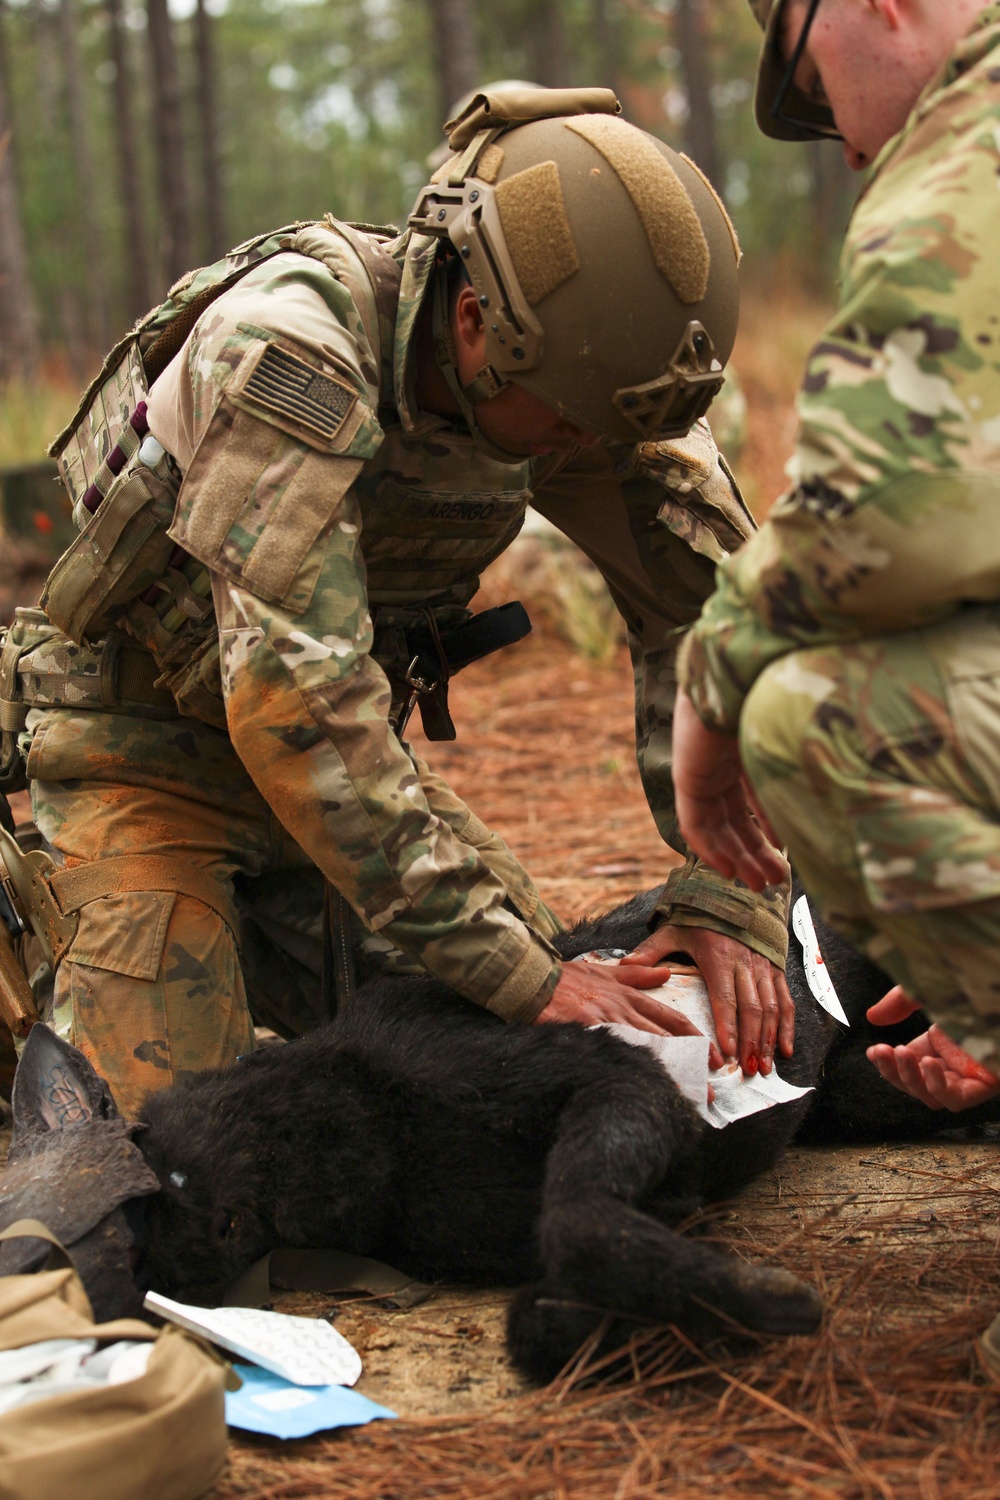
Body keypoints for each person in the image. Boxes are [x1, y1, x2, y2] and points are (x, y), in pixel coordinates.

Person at [0, 88, 793, 1118]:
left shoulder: (593, 369)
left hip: (349, 778)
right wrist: (526, 976)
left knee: (505, 1081)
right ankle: (33, 930)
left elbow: (717, 624)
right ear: (473, 323)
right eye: (562, 428)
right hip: (139, 751)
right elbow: (297, 709)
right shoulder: (293, 351)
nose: (581, 451)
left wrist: (730, 892)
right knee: (160, 1144)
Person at [671, 0, 1000, 1127]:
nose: (849, 146)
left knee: (816, 718)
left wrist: (709, 703)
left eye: (812, 88)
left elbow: (873, 522)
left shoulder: (968, 156)